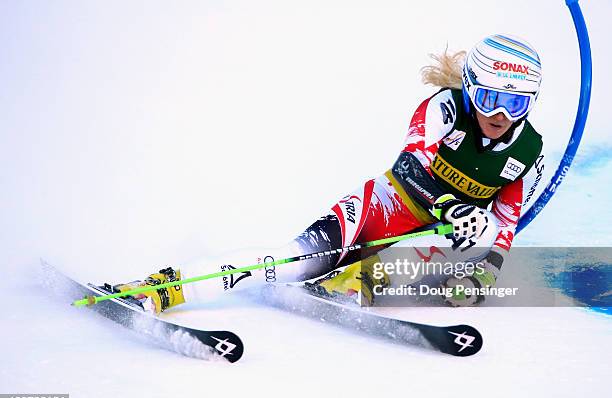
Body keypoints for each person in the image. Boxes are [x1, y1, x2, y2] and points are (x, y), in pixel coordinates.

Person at [113, 34, 545, 313]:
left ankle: (358, 282)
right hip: (380, 210)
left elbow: (506, 222)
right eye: (489, 98)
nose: (501, 115)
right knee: (287, 262)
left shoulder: (528, 150)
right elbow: (409, 165)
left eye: (518, 104)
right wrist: (451, 206)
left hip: (424, 241)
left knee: (479, 232)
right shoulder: (444, 107)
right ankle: (164, 288)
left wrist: (484, 271)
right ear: (470, 87)